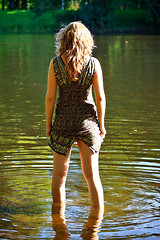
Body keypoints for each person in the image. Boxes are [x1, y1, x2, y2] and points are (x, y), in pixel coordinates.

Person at [45, 21, 106, 211]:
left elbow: (50, 98)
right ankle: (96, 225)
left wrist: (49, 125)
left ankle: (59, 223)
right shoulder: (94, 64)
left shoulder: (55, 64)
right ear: (86, 41)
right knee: (92, 176)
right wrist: (102, 126)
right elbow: (101, 98)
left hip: (62, 124)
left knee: (59, 177)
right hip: (88, 124)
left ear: (63, 41)